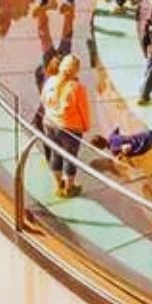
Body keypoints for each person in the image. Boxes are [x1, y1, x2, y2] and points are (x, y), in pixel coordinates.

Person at [41, 54, 92, 198]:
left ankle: (59, 186)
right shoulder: (77, 88)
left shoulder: (50, 81)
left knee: (56, 155)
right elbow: (84, 110)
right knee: (70, 158)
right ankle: (69, 188)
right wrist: (86, 127)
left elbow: (43, 100)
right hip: (69, 129)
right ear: (76, 70)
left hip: (50, 124)